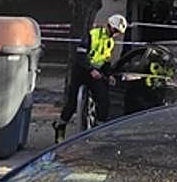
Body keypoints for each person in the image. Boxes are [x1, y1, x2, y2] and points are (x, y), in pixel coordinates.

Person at [52, 14, 127, 143]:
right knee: (72, 103)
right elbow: (80, 56)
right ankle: (60, 126)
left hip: (95, 73)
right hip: (81, 70)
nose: (116, 34)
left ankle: (98, 130)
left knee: (103, 100)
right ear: (109, 26)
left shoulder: (110, 42)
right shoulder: (92, 35)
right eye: (115, 31)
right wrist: (90, 69)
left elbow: (105, 61)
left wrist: (109, 75)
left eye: (118, 33)